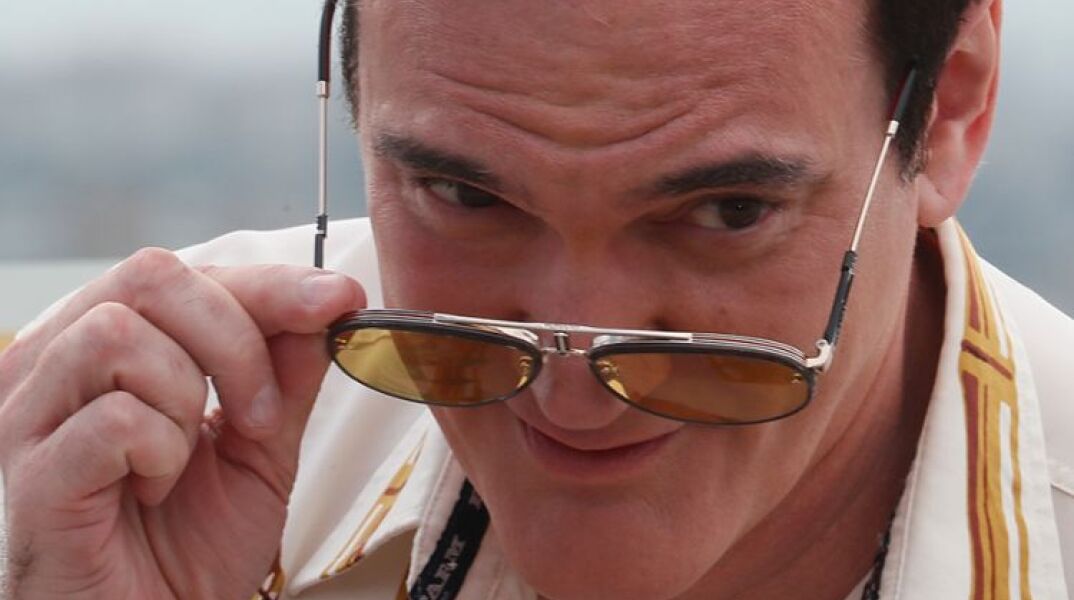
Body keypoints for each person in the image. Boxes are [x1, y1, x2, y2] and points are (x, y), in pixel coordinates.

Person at [0, 0, 1071, 598]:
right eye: (466, 197)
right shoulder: (107, 454)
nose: (574, 392)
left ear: (950, 111)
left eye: (727, 212)